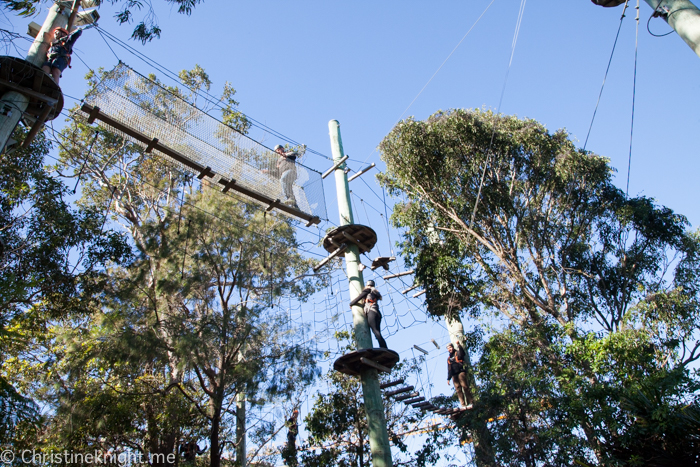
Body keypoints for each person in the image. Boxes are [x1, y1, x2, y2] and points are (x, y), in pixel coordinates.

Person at [349, 280, 387, 349]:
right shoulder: (375, 292)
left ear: (368, 285)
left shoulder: (368, 290)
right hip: (377, 313)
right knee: (377, 332)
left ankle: (384, 347)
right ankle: (383, 347)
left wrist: (351, 303)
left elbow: (359, 297)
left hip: (371, 312)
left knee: (375, 331)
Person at [446, 342, 473, 409]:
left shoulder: (457, 353)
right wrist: (448, 378)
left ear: (452, 347)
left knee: (465, 387)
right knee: (458, 389)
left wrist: (459, 345)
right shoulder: (449, 359)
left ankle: (471, 402)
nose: (449, 349)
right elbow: (449, 369)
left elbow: (463, 354)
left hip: (461, 372)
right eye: (448, 348)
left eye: (450, 347)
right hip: (454, 375)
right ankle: (463, 404)